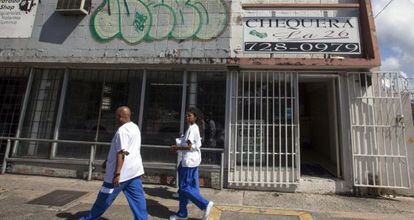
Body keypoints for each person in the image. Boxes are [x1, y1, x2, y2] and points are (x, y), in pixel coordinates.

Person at [80, 106, 147, 220]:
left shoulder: (122, 131)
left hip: (120, 175)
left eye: (116, 116)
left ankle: (88, 219)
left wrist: (117, 174)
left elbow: (121, 153)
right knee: (138, 201)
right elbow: (127, 150)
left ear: (120, 117)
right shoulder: (135, 127)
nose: (115, 118)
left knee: (103, 199)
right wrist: (107, 161)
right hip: (134, 172)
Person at [169, 107, 214, 220]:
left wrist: (176, 147)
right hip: (191, 160)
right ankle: (182, 213)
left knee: (184, 187)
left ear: (195, 117)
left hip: (189, 161)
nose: (187, 117)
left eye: (190, 115)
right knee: (184, 188)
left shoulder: (193, 129)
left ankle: (205, 204)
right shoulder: (193, 128)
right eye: (186, 115)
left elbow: (189, 147)